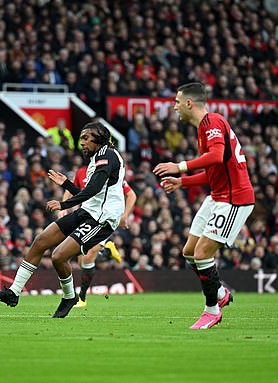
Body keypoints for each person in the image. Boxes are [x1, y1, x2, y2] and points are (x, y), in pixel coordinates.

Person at [0, 122, 125, 318]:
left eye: (86, 138)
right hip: (89, 211)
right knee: (41, 241)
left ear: (100, 137)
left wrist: (64, 204)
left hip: (102, 219)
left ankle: (69, 297)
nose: (82, 143)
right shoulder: (98, 157)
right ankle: (14, 292)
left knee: (59, 256)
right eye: (81, 139)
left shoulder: (107, 155)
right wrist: (67, 184)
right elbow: (92, 194)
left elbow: (92, 190)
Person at [153, 82, 254, 330]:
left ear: (189, 103)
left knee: (202, 254)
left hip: (234, 199)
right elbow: (213, 172)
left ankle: (212, 311)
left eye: (177, 102)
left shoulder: (212, 123)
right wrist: (182, 182)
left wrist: (181, 165)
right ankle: (220, 293)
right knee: (189, 251)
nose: (174, 106)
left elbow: (217, 156)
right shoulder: (203, 129)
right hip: (218, 196)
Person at [47, 167, 136, 308]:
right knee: (83, 260)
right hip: (87, 216)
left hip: (103, 219)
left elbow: (131, 195)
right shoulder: (81, 172)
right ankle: (105, 251)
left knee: (87, 258)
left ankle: (82, 298)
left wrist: (124, 216)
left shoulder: (110, 171)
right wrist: (64, 207)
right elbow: (71, 189)